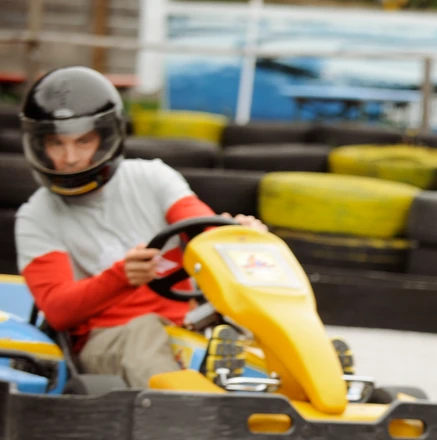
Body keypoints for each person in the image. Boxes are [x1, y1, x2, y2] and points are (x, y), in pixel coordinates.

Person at [14, 66, 267, 388]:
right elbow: (58, 310)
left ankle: (318, 382)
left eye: (83, 141)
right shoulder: (36, 216)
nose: (71, 158)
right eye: (56, 144)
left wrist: (240, 238)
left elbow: (205, 232)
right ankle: (191, 415)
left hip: (184, 325)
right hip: (104, 341)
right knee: (144, 333)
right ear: (39, 146)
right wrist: (121, 278)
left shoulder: (152, 177)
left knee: (243, 325)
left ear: (106, 137)